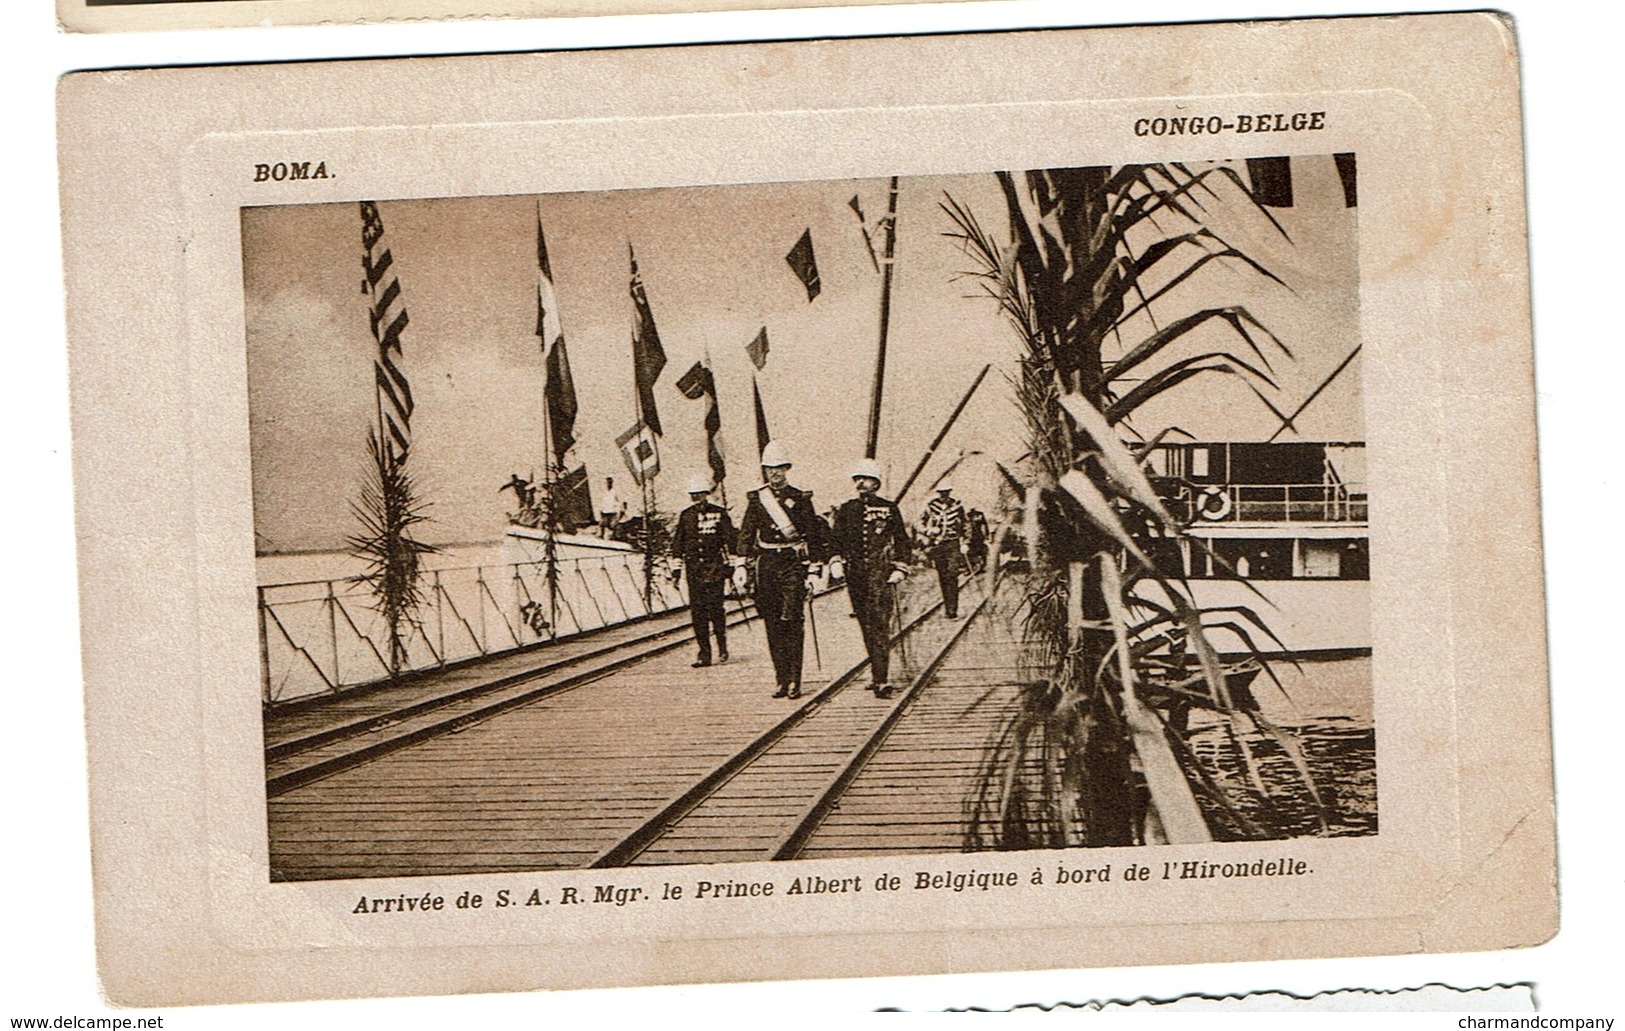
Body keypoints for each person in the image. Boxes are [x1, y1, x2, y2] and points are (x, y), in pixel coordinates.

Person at [738, 441, 830, 699]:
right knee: (773, 623)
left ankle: (795, 681)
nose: (774, 474)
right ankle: (781, 679)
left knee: (792, 621)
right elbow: (746, 533)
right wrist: (741, 564)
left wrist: (814, 571)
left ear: (787, 469)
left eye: (779, 469)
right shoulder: (757, 499)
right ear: (764, 471)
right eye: (769, 469)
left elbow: (813, 534)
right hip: (766, 565)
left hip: (792, 564)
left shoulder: (800, 498)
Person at [831, 459, 910, 698]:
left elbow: (902, 541)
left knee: (879, 624)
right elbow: (836, 540)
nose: (859, 483)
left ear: (876, 482)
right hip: (856, 575)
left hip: (881, 574)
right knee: (866, 624)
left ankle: (882, 678)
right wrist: (835, 560)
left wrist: (900, 568)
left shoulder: (890, 508)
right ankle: (877, 672)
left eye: (864, 479)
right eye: (857, 479)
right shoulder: (847, 509)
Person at [670, 474, 736, 668]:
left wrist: (731, 566)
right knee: (698, 613)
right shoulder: (686, 515)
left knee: (716, 610)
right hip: (694, 571)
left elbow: (730, 540)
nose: (697, 499)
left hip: (715, 569)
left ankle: (722, 646)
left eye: (700, 495)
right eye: (693, 495)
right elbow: (678, 545)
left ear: (706, 494)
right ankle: (704, 654)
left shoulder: (719, 513)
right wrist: (676, 572)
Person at [919, 480, 968, 619]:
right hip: (937, 544)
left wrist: (966, 542)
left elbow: (965, 524)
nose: (943, 495)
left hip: (953, 543)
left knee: (952, 574)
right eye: (941, 493)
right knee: (943, 576)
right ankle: (948, 607)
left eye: (946, 493)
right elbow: (919, 523)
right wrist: (928, 531)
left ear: (949, 492)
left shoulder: (957, 505)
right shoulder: (931, 506)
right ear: (938, 493)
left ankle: (952, 610)